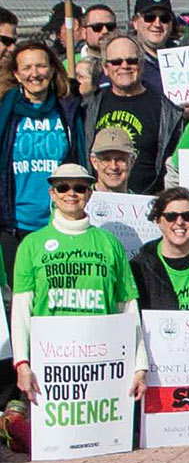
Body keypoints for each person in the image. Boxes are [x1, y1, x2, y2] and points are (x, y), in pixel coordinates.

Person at [10, 158, 148, 421]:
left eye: (79, 188)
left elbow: (128, 306)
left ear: (90, 193)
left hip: (102, 361)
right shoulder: (31, 244)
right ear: (52, 193)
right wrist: (22, 363)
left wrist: (139, 364)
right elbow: (21, 311)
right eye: (63, 187)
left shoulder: (110, 243)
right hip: (53, 364)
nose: (71, 194)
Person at [0, 38, 82, 262]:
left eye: (41, 66)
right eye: (26, 67)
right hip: (13, 225)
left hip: (58, 222)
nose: (34, 73)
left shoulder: (69, 110)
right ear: (17, 74)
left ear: (52, 69)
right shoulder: (5, 112)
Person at [79, 33, 183, 194]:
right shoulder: (88, 107)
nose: (124, 66)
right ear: (106, 69)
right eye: (116, 62)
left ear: (141, 65)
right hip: (98, 202)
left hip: (147, 202)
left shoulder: (167, 110)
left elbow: (173, 164)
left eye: (131, 61)